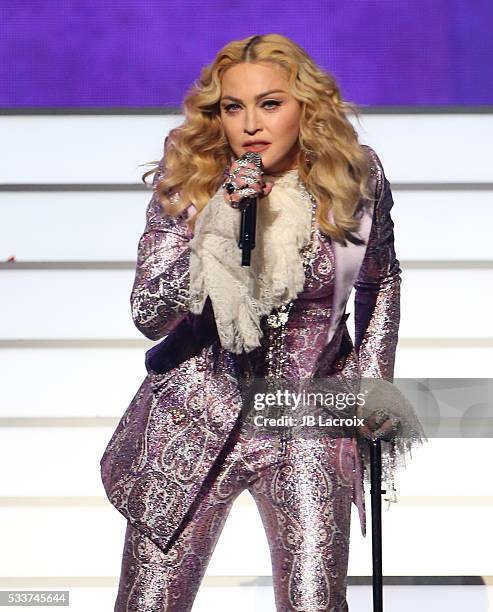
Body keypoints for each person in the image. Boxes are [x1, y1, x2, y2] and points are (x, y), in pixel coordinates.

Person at [100, 33, 424, 612]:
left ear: (305, 106)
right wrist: (214, 233)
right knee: (149, 604)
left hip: (307, 419)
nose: (251, 123)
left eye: (270, 103)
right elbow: (149, 314)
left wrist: (371, 387)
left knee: (315, 604)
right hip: (194, 421)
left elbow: (381, 279)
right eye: (233, 107)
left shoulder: (356, 176)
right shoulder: (192, 183)